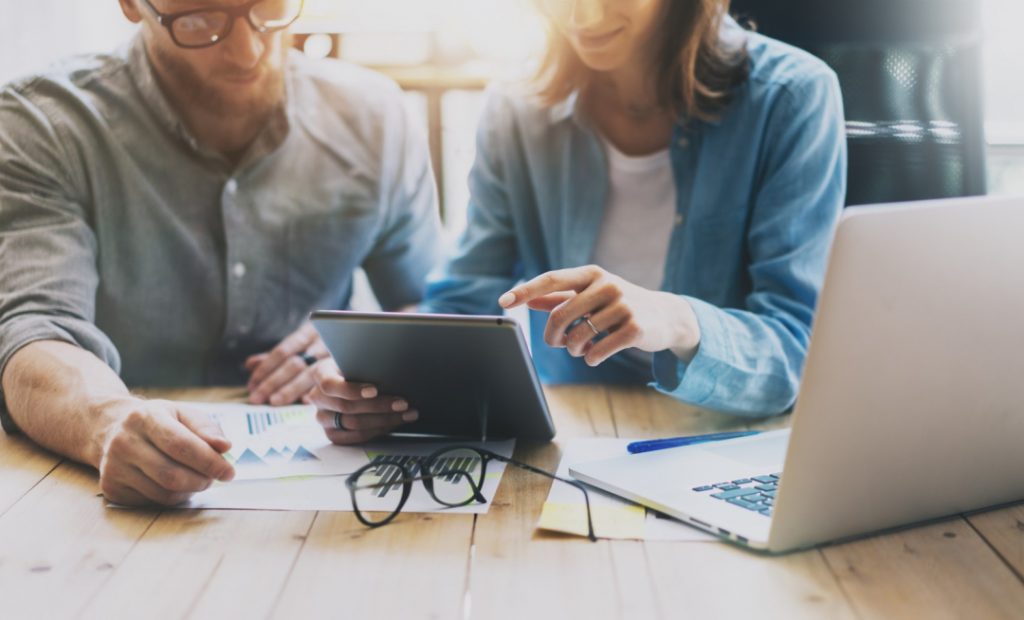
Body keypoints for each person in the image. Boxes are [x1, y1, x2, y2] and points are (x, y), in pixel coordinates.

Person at [310, 0, 846, 438]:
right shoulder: (516, 109)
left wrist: (675, 320)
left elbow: (792, 358)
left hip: (726, 434)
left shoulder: (792, 96)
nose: (582, 18)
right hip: (574, 432)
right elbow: (463, 304)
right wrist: (375, 386)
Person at [0, 0, 440, 506]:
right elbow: (34, 332)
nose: (247, 50)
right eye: (200, 20)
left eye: (269, 8)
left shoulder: (373, 117)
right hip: (115, 501)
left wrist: (367, 344)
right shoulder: (43, 125)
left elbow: (433, 304)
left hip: (332, 500)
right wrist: (107, 418)